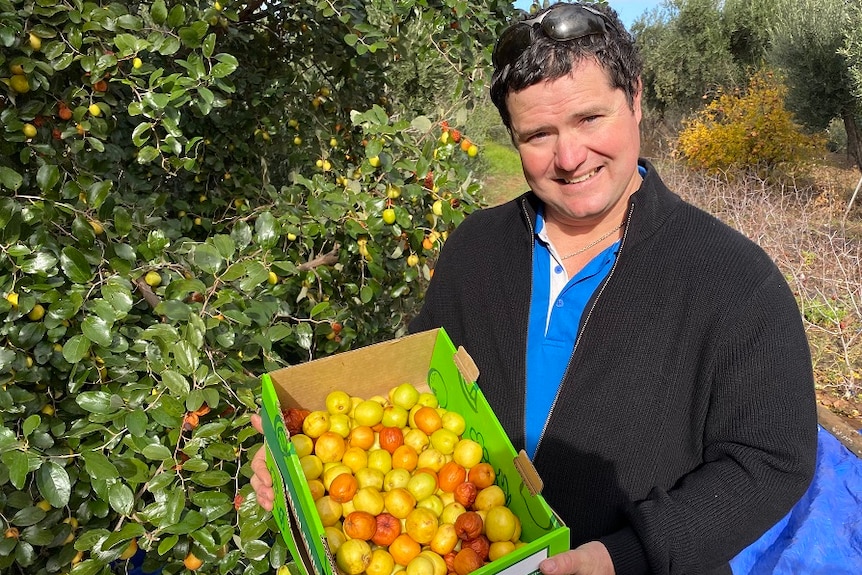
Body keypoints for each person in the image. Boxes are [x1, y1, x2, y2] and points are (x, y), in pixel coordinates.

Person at [252, 2, 818, 573]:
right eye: (538, 134)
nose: (569, 158)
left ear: (637, 99)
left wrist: (629, 553)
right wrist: (306, 469)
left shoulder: (732, 279)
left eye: (590, 119)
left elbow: (773, 460)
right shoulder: (476, 248)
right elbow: (414, 386)